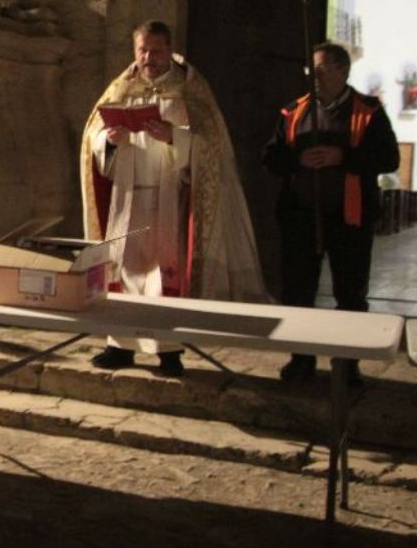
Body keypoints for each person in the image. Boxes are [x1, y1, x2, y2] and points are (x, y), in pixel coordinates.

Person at [80, 20, 266, 377]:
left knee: (165, 274)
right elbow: (93, 136)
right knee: (125, 269)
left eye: (156, 50)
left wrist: (174, 137)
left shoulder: (190, 91)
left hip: (170, 197)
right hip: (127, 196)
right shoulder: (120, 88)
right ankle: (120, 346)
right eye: (142, 50)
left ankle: (168, 350)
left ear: (170, 50)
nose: (149, 58)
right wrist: (109, 140)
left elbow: (211, 147)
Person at [263, 42, 400, 384]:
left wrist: (344, 158)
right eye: (312, 70)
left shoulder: (367, 111)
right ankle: (301, 359)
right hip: (301, 217)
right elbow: (270, 157)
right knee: (298, 292)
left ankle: (347, 365)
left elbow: (389, 159)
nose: (314, 76)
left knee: (350, 294)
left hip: (348, 219)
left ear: (342, 71)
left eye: (322, 69)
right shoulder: (295, 111)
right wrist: (297, 160)